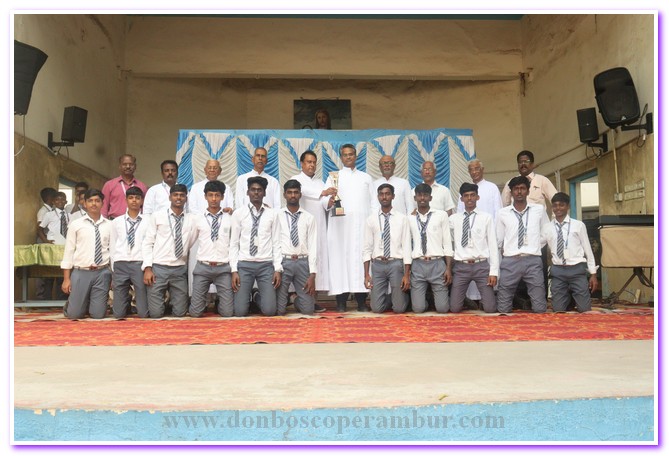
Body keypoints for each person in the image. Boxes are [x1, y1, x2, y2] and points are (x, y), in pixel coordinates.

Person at [324, 144, 374, 312]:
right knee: (340, 262)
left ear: (356, 156)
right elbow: (324, 200)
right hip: (340, 228)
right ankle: (341, 302)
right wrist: (329, 200)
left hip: (362, 228)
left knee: (361, 261)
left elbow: (373, 203)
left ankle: (362, 302)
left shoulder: (366, 178)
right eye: (345, 155)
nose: (348, 157)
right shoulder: (333, 177)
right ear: (341, 157)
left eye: (351, 154)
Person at [495, 176, 550, 313]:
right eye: (516, 189)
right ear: (511, 192)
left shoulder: (539, 210)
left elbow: (546, 233)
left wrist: (534, 246)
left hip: (533, 260)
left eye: (522, 188)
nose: (519, 192)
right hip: (510, 261)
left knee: (540, 309)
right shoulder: (502, 213)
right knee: (503, 309)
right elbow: (498, 239)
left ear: (528, 191)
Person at [230, 177, 283, 317]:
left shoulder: (272, 214)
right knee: (240, 312)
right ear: (247, 192)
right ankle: (247, 297)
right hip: (244, 265)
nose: (256, 193)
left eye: (259, 190)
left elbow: (276, 242)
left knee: (270, 311)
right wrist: (234, 270)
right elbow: (234, 243)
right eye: (253, 190)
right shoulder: (238, 214)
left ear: (264, 193)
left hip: (265, 265)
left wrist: (277, 269)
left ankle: (257, 296)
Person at [141, 184, 195, 318]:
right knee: (155, 314)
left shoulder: (191, 219)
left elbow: (191, 241)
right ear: (170, 197)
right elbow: (148, 243)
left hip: (179, 269)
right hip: (159, 268)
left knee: (180, 313)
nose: (179, 198)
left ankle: (172, 303)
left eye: (182, 195)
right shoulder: (157, 216)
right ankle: (162, 305)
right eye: (175, 195)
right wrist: (148, 268)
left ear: (186, 198)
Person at [456, 159, 503, 306]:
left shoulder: (492, 188)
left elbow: (498, 213)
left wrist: (496, 238)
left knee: (488, 273)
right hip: (468, 242)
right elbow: (459, 215)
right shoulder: (464, 190)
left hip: (487, 237)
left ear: (482, 170)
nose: (474, 172)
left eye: (477, 168)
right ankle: (471, 301)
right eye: (471, 169)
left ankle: (486, 300)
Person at [541, 192, 599, 312]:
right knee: (558, 310)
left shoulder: (578, 225)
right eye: (555, 205)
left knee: (585, 310)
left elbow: (588, 250)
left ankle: (573, 298)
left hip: (576, 269)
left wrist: (593, 274)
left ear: (568, 206)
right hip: (558, 271)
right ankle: (568, 300)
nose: (558, 208)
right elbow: (537, 245)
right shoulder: (547, 227)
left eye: (561, 205)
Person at [60, 189, 112, 319]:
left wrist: (113, 275)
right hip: (81, 272)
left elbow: (113, 252)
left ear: (102, 203)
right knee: (74, 315)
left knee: (98, 315)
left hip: (102, 272)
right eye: (90, 201)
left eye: (97, 201)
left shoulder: (110, 225)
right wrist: (66, 279)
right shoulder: (76, 224)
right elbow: (68, 252)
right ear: (84, 203)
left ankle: (89, 304)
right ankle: (73, 304)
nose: (94, 204)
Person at [290, 150, 336, 297]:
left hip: (319, 224)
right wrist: (323, 192)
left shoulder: (320, 182)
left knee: (317, 258)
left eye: (314, 162)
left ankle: (313, 297)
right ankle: (300, 296)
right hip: (302, 226)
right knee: (305, 258)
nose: (312, 165)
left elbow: (324, 203)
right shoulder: (296, 179)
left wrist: (330, 202)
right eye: (309, 162)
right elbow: (302, 190)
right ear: (302, 164)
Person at [449, 183, 499, 313]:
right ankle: (466, 301)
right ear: (462, 199)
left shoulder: (486, 218)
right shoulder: (454, 219)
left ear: (478, 197)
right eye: (466, 196)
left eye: (472, 195)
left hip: (481, 266)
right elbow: (439, 228)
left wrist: (493, 272)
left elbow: (493, 245)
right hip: (461, 267)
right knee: (454, 308)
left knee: (490, 309)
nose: (469, 198)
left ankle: (486, 300)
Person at [362, 184, 412, 313]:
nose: (384, 197)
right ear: (378, 197)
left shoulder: (402, 219)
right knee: (376, 309)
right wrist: (366, 274)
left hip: (396, 264)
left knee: (399, 309)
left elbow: (407, 247)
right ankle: (392, 298)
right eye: (381, 194)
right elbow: (367, 248)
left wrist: (406, 275)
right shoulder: (371, 219)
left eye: (387, 194)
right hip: (378, 265)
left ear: (393, 196)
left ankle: (403, 298)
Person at [188, 180, 234, 318]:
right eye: (210, 195)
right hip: (203, 267)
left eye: (217, 195)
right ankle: (202, 302)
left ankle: (220, 303)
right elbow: (189, 241)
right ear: (205, 197)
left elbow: (235, 243)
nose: (214, 199)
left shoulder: (230, 218)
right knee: (195, 313)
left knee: (227, 313)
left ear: (222, 197)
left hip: (223, 268)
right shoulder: (198, 218)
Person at [408, 184, 453, 313]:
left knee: (443, 309)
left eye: (425, 195)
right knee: (418, 309)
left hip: (437, 264)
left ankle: (439, 300)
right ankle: (426, 300)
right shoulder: (409, 218)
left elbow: (447, 243)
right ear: (415, 198)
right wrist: (408, 269)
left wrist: (448, 268)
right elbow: (406, 245)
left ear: (430, 198)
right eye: (419, 195)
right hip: (418, 264)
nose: (422, 198)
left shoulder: (441, 215)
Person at [277, 180, 318, 316]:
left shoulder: (309, 218)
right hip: (284, 262)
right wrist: (277, 267)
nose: (293, 195)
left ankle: (295, 299)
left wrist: (312, 274)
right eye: (289, 192)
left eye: (296, 192)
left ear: (300, 194)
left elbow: (313, 246)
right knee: (279, 311)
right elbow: (274, 243)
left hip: (302, 263)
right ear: (284, 195)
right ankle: (271, 298)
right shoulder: (277, 216)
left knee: (308, 311)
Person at [109, 186, 149, 318]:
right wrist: (114, 266)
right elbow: (113, 245)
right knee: (118, 314)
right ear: (126, 200)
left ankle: (138, 305)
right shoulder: (116, 222)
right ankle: (125, 304)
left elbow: (150, 244)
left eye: (137, 198)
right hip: (121, 263)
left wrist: (147, 265)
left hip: (139, 263)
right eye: (131, 198)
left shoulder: (148, 221)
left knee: (143, 313)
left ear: (142, 201)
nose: (134, 201)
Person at [101, 154, 148, 220]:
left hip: (136, 222)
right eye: (124, 164)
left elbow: (145, 208)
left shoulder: (142, 186)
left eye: (131, 164)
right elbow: (103, 207)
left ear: (135, 166)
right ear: (119, 166)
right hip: (114, 221)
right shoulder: (109, 185)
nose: (128, 166)